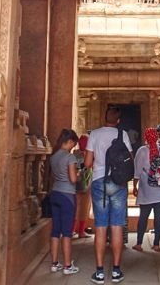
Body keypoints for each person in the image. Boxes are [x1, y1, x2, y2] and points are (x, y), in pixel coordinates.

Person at [85, 107, 133, 284]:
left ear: (104, 118)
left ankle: (99, 272)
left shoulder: (95, 134)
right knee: (117, 226)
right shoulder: (123, 134)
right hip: (118, 183)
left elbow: (88, 163)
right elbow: (129, 159)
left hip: (100, 181)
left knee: (100, 227)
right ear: (118, 121)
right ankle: (116, 271)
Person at [131, 127, 160, 252]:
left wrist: (135, 186)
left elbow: (137, 171)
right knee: (159, 216)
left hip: (147, 189)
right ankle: (156, 244)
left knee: (143, 216)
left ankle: (139, 243)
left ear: (146, 137)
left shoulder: (142, 151)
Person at [48, 128, 80, 275]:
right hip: (67, 195)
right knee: (67, 232)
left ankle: (54, 263)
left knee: (55, 230)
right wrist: (79, 175)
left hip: (55, 193)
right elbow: (73, 179)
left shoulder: (53, 156)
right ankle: (67, 265)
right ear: (70, 141)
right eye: (74, 143)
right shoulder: (70, 157)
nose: (73, 147)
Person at [72, 134, 93, 238]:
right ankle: (79, 231)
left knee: (77, 207)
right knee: (83, 208)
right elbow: (86, 167)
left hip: (77, 184)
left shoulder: (75, 154)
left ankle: (74, 230)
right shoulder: (86, 155)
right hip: (84, 183)